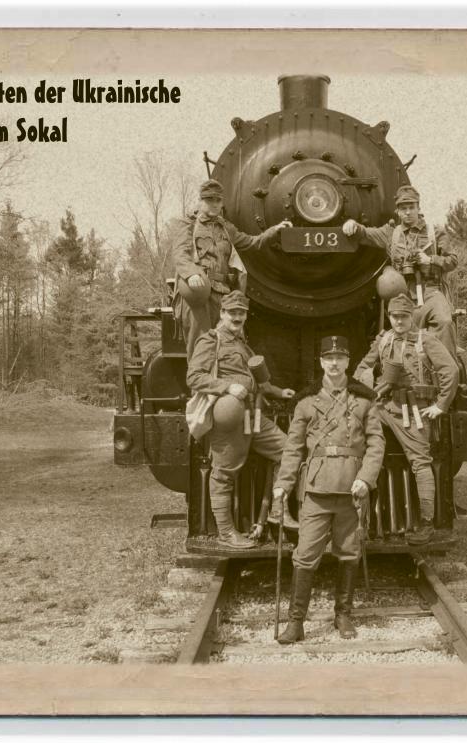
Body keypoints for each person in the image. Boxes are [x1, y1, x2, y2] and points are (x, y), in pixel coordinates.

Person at [272, 336, 385, 643]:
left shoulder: (364, 400)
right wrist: (283, 484)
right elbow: (293, 448)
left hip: (352, 487)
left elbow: (376, 443)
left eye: (340, 358)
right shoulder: (306, 403)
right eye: (329, 358)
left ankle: (343, 615)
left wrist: (366, 478)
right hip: (316, 490)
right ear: (321, 362)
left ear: (348, 362)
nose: (334, 364)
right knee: (305, 554)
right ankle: (296, 622)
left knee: (349, 552)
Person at [186, 290, 295, 549]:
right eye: (232, 312)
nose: (237, 317)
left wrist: (279, 392)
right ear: (222, 313)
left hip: (253, 416)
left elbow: (257, 382)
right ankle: (226, 533)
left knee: (290, 451)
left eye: (241, 313)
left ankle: (278, 510)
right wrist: (226, 386)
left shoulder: (242, 344)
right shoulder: (211, 340)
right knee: (223, 473)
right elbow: (194, 377)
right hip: (231, 417)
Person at [353, 294, 459, 545]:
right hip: (384, 408)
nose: (399, 321)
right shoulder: (384, 339)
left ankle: (426, 523)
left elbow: (451, 370)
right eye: (394, 316)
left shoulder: (426, 340)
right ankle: (360, 521)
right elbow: (362, 368)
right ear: (389, 317)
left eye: (403, 316)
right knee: (356, 447)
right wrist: (367, 387)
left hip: (413, 413)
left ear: (411, 316)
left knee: (420, 463)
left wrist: (440, 405)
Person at [174, 178, 292, 358]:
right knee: (200, 347)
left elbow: (252, 243)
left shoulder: (225, 228)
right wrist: (191, 274)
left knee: (226, 345)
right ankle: (199, 378)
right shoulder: (188, 224)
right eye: (209, 200)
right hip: (199, 292)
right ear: (200, 201)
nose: (215, 204)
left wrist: (274, 231)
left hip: (223, 294)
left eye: (218, 200)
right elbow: (180, 254)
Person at [342, 185, 459, 357]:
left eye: (412, 207)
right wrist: (353, 225)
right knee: (404, 338)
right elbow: (366, 234)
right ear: (397, 211)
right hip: (404, 295)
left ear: (419, 208)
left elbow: (453, 261)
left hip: (431, 291)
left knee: (445, 321)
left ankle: (447, 367)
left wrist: (430, 259)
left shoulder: (435, 232)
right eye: (403, 208)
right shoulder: (391, 233)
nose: (408, 212)